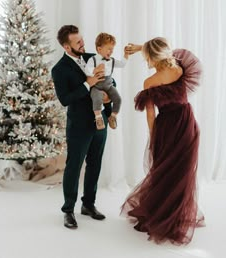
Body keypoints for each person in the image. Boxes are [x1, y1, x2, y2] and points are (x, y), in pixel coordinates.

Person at [121, 37, 205, 245]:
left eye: (146, 57)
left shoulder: (150, 82)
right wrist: (143, 47)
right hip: (186, 122)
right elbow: (164, 49)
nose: (145, 60)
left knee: (164, 168)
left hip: (167, 126)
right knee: (182, 170)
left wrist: (153, 136)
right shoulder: (178, 68)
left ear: (151, 57)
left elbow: (150, 115)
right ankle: (174, 215)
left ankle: (164, 214)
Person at [51, 25, 114, 229]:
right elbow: (65, 99)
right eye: (78, 42)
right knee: (74, 166)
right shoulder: (59, 70)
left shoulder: (92, 58)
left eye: (82, 40)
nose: (83, 44)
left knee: (95, 163)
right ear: (66, 47)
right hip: (78, 125)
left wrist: (108, 98)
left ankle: (88, 205)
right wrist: (87, 84)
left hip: (100, 121)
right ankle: (68, 210)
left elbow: (110, 81)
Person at [85, 32, 129, 130]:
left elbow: (122, 64)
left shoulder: (112, 61)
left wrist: (126, 55)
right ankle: (98, 118)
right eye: (109, 49)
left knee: (118, 99)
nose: (111, 51)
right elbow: (87, 70)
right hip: (96, 86)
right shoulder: (93, 60)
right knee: (97, 98)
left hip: (108, 86)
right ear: (99, 49)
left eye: (112, 49)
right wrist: (94, 70)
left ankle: (113, 116)